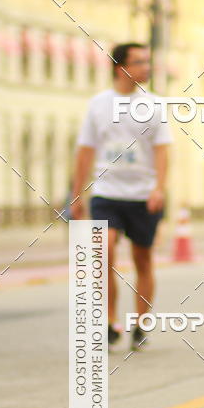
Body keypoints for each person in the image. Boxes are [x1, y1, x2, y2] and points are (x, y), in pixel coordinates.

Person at [71, 43, 172, 349]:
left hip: (142, 195)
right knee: (104, 253)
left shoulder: (154, 105)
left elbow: (163, 151)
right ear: (121, 68)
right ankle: (110, 321)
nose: (146, 67)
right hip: (106, 192)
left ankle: (140, 325)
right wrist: (77, 195)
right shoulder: (98, 105)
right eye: (139, 62)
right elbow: (85, 151)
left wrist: (159, 188)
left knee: (143, 260)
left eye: (147, 60)